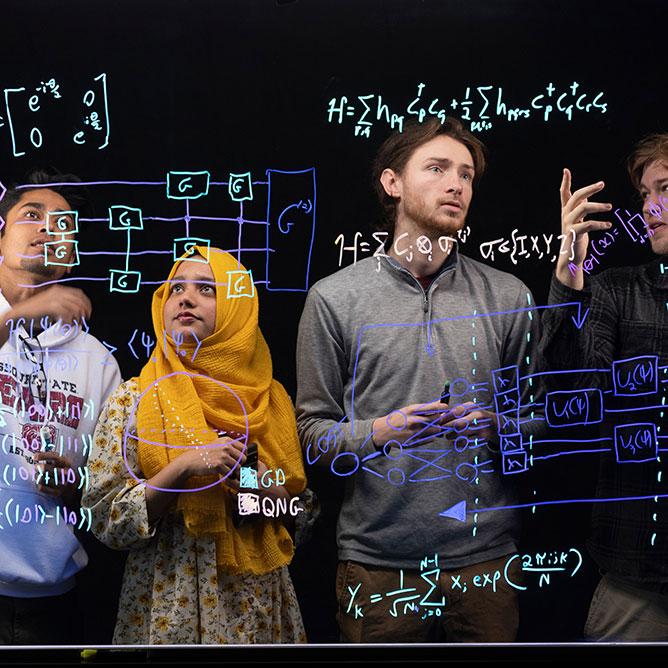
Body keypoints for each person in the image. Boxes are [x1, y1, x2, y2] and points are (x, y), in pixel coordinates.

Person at [296, 117, 543, 643]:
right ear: (392, 183)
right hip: (377, 566)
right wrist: (383, 431)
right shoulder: (334, 299)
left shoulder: (508, 296)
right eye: (437, 168)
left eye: (467, 175)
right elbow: (310, 438)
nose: (456, 184)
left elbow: (543, 422)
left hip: (486, 565)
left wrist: (500, 428)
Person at [82, 247, 308, 644]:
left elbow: (302, 519)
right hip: (170, 611)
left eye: (207, 288)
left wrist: (248, 477)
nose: (185, 298)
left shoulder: (271, 400)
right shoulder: (134, 398)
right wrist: (185, 466)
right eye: (175, 289)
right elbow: (106, 521)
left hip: (255, 612)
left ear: (238, 307)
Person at [539, 134, 668, 641]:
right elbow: (569, 399)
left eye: (665, 189)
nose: (650, 208)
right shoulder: (618, 291)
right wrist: (570, 273)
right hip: (637, 578)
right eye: (644, 195)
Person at [0, 170, 121, 644]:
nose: (49, 227)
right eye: (32, 215)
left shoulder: (99, 363)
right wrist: (16, 315)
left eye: (63, 223)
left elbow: (109, 494)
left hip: (52, 605)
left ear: (69, 258)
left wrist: (74, 487)